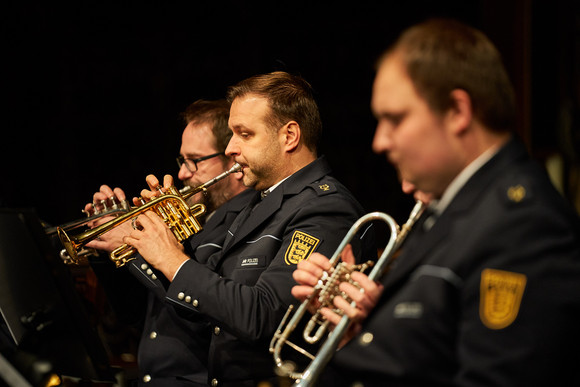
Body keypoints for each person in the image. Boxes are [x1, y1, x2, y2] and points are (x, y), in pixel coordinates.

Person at [292, 19, 580, 386]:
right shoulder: (458, 208)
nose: (379, 141)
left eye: (394, 119)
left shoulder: (526, 225)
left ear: (457, 111)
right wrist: (365, 328)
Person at [123, 71, 375, 386]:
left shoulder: (325, 208)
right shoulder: (257, 202)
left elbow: (266, 315)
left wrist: (170, 258)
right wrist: (144, 246)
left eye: (244, 134)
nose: (230, 148)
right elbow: (207, 304)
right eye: (231, 134)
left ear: (289, 136)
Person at [85, 99, 251, 386]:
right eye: (181, 161)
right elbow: (133, 315)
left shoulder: (245, 225)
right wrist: (107, 248)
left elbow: (207, 316)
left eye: (194, 160)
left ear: (232, 160)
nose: (184, 173)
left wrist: (135, 243)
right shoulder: (195, 221)